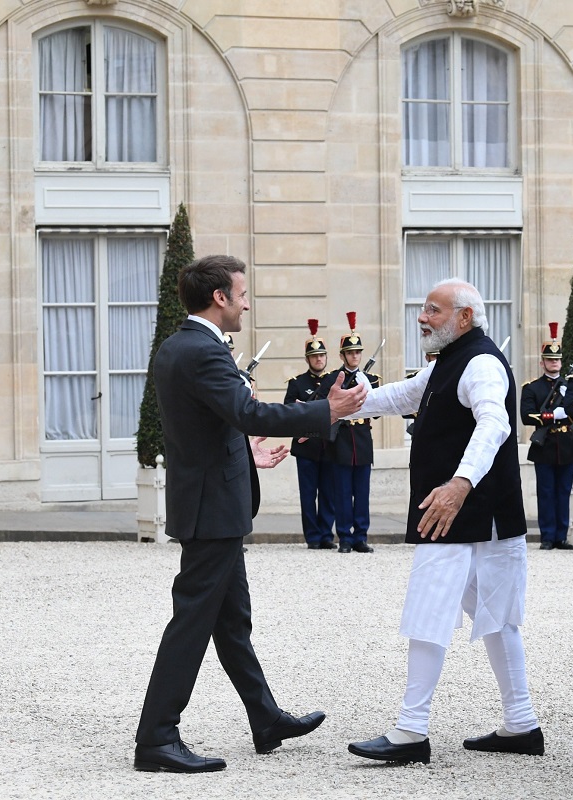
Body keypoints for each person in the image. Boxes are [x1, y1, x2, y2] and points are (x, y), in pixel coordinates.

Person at [133, 254, 368, 774]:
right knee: (191, 622)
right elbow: (248, 412)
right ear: (219, 298)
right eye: (241, 294)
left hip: (213, 502)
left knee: (231, 622)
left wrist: (248, 452)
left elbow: (210, 425)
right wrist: (326, 411)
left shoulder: (179, 346)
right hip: (213, 509)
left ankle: (264, 718)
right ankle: (155, 738)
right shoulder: (204, 352)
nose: (246, 302)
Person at [342, 278, 545, 765]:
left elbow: (495, 424)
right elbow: (398, 397)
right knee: (497, 621)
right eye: (423, 309)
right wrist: (341, 405)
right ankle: (521, 725)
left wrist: (459, 484)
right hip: (471, 516)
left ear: (464, 317)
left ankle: (411, 733)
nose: (422, 317)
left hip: (461, 512)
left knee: (432, 611)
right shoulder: (448, 364)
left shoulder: (480, 364)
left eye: (433, 310)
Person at [316, 312, 380, 554]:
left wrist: (367, 389)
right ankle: (344, 536)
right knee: (342, 493)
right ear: (342, 355)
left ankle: (361, 536)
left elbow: (376, 412)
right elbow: (323, 407)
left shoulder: (370, 378)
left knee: (361, 493)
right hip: (341, 442)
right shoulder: (333, 379)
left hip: (362, 441)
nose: (355, 355)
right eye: (351, 352)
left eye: (358, 352)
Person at [520, 323, 573, 551]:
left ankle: (560, 537)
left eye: (557, 360)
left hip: (566, 445)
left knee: (563, 492)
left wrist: (566, 407)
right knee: (546, 492)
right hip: (544, 445)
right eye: (549, 360)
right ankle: (547, 536)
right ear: (542, 362)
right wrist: (549, 416)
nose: (554, 363)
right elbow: (527, 416)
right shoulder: (532, 388)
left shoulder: (570, 386)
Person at [283, 320, 337, 550]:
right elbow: (288, 411)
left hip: (328, 444)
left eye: (322, 355)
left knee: (328, 492)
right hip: (306, 446)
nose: (319, 359)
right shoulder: (297, 383)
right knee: (308, 494)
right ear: (307, 359)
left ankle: (326, 534)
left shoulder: (333, 380)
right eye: (314, 356)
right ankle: (312, 537)